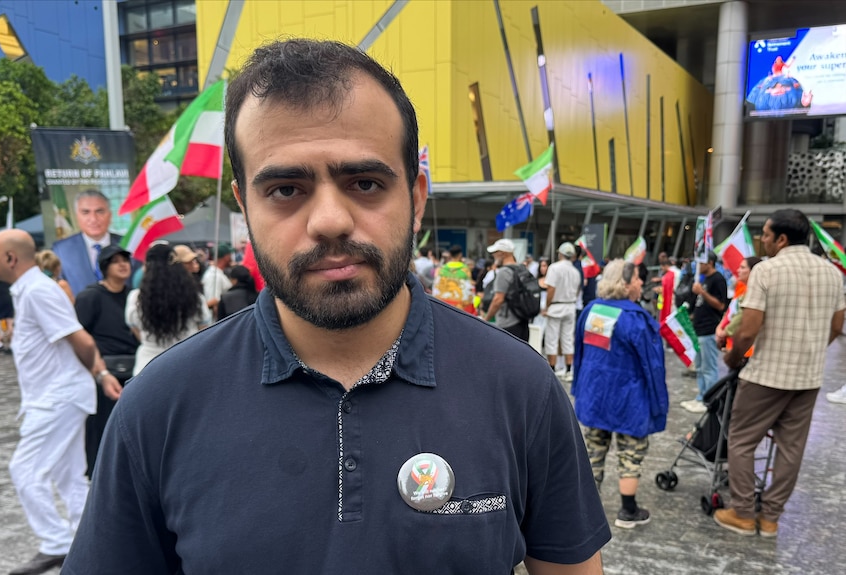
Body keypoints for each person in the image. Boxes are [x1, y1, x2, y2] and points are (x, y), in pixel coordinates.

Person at [63, 38, 609, 574]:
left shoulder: (521, 388)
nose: (329, 220)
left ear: (416, 198)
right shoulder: (157, 408)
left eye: (365, 182)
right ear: (245, 205)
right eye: (285, 189)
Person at [715, 209, 845, 538]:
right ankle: (771, 518)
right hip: (809, 378)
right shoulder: (832, 273)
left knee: (742, 442)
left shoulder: (767, 272)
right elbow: (837, 324)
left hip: (765, 376)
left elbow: (748, 330)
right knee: (791, 448)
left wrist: (732, 358)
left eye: (767, 236)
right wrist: (814, 348)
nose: (764, 241)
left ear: (782, 239)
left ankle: (744, 513)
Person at [0, 229, 106, 575]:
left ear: (11, 258)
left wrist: (98, 374)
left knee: (24, 470)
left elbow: (80, 340)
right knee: (69, 477)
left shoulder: (38, 291)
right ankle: (89, 542)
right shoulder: (28, 290)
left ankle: (56, 544)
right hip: (56, 395)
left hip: (59, 397)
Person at [573, 260, 668, 529]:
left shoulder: (592, 311)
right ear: (625, 283)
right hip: (630, 400)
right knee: (631, 454)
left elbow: (581, 355)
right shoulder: (636, 318)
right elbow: (653, 365)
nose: (641, 283)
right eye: (637, 278)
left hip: (594, 397)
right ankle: (628, 511)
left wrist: (580, 389)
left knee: (592, 453)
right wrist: (658, 402)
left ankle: (586, 513)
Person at [74, 245, 139, 476]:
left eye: (125, 260)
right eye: (115, 261)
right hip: (102, 372)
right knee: (101, 429)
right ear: (104, 267)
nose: (123, 264)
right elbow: (81, 337)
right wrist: (97, 370)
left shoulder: (133, 295)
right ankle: (98, 475)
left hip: (134, 369)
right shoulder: (90, 296)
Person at [126, 242, 212, 376]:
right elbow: (205, 330)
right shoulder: (194, 297)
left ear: (146, 268)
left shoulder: (135, 298)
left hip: (147, 368)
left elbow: (135, 329)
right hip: (187, 364)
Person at [52, 189, 124, 296]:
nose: (93, 219)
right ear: (77, 216)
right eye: (86, 212)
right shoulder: (61, 251)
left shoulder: (127, 245)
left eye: (100, 212)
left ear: (110, 215)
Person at [680, 252, 727, 413]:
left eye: (702, 262)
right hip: (699, 329)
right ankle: (701, 396)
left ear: (711, 263)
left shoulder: (718, 279)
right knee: (700, 367)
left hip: (709, 329)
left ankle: (711, 399)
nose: (699, 266)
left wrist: (703, 293)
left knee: (709, 367)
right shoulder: (704, 279)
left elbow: (721, 305)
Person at [544, 242, 582, 381]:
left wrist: (546, 306)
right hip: (570, 305)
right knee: (567, 338)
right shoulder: (575, 271)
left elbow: (551, 289)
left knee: (552, 338)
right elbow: (577, 291)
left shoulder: (554, 268)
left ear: (560, 254)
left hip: (556, 305)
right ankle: (568, 369)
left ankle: (552, 369)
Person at [482, 238, 531, 342]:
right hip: (523, 321)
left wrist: (486, 319)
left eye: (495, 253)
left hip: (507, 323)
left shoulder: (504, 272)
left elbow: (498, 300)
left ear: (502, 253)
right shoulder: (522, 269)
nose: (493, 256)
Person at [715, 257, 762, 352]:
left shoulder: (755, 293)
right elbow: (730, 312)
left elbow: (741, 315)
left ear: (753, 271)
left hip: (746, 350)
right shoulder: (740, 289)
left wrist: (725, 332)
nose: (738, 270)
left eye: (742, 267)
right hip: (732, 346)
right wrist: (719, 328)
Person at [432, 243, 475, 313]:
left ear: (450, 255)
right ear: (460, 255)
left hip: (444, 303)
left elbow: (436, 286)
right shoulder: (465, 269)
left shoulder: (442, 268)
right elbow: (468, 287)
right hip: (459, 305)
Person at [201, 242, 233, 318]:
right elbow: (212, 302)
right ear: (226, 257)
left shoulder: (219, 273)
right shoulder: (213, 275)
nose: (231, 257)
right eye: (230, 255)